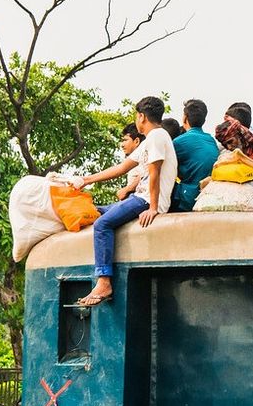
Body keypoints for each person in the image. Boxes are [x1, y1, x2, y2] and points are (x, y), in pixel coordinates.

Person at [71, 96, 177, 307]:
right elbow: (122, 168)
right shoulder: (151, 139)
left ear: (141, 117)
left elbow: (155, 173)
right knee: (96, 212)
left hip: (146, 200)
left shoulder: (157, 136)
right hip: (142, 197)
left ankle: (103, 282)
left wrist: (154, 208)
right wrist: (86, 180)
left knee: (102, 224)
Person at [170, 99, 219, 212]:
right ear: (204, 120)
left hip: (189, 197)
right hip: (208, 194)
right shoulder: (211, 140)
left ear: (184, 118)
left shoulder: (178, 142)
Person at [115, 123, 145, 201]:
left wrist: (127, 189)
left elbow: (146, 172)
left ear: (137, 141)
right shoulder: (133, 159)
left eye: (125, 140)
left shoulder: (143, 157)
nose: (122, 145)